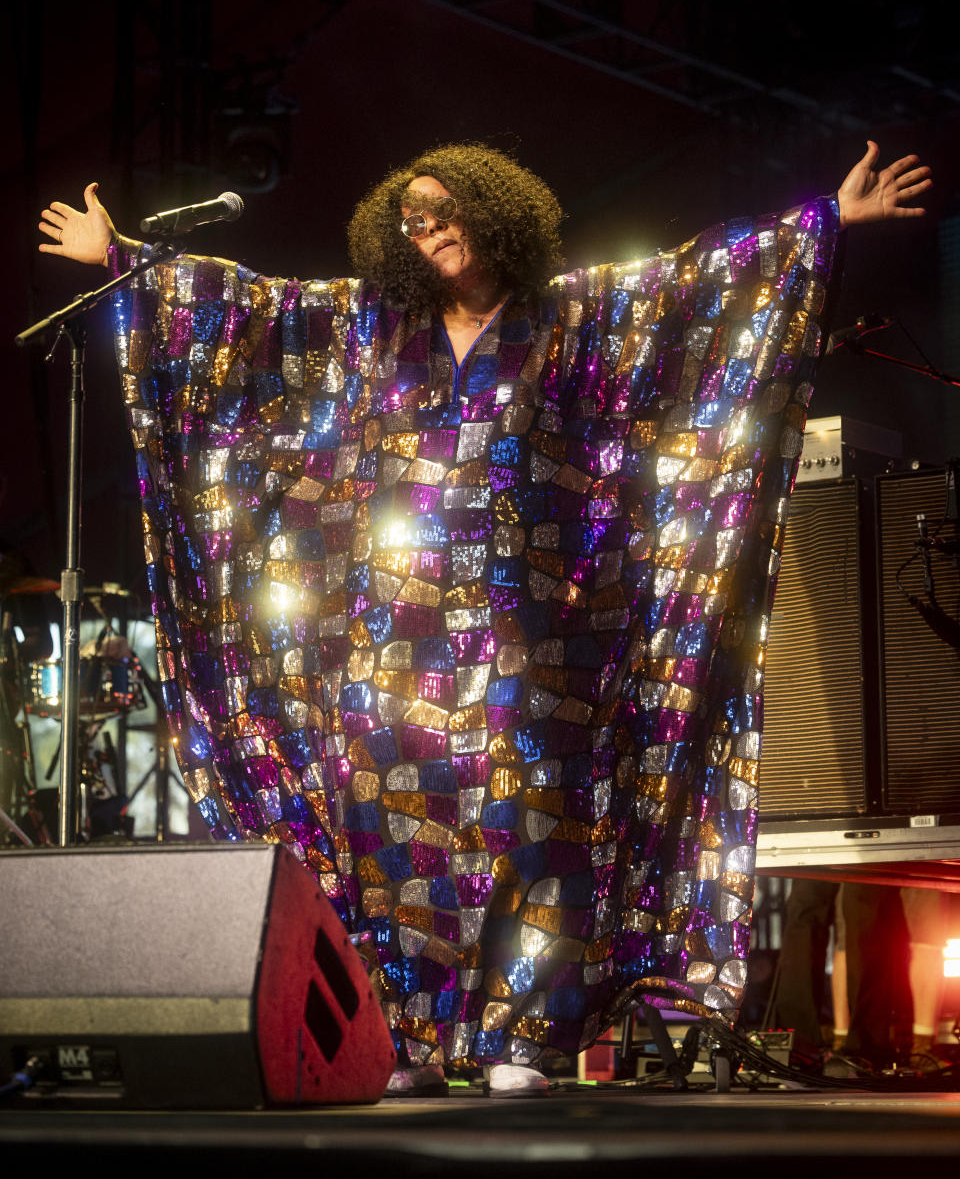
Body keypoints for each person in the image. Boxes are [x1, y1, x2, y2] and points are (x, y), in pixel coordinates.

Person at [39, 141, 930, 1093]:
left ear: (495, 212)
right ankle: (411, 1041)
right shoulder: (369, 326)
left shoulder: (577, 314)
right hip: (398, 640)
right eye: (412, 220)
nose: (430, 231)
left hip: (534, 633)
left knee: (529, 823)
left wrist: (827, 222)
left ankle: (520, 1039)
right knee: (392, 832)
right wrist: (121, 256)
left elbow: (695, 282)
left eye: (446, 210)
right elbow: (254, 310)